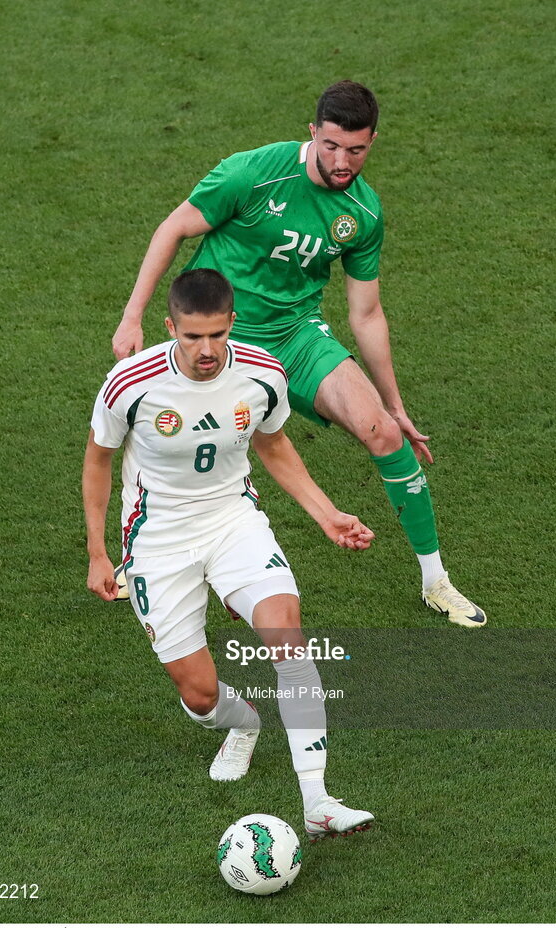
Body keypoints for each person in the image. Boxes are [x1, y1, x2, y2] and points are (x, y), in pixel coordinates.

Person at [112, 80, 486, 627]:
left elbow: (366, 313)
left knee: (381, 431)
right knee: (169, 438)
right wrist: (131, 315)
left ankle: (436, 580)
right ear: (313, 133)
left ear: (372, 142)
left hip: (296, 334)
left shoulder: (362, 212)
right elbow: (173, 228)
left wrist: (395, 403)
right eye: (332, 145)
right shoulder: (253, 172)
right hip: (224, 340)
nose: (342, 160)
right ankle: (137, 552)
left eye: (356, 150)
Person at [84, 268, 375, 840]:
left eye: (217, 335)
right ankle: (243, 725)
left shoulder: (262, 373)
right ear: (171, 328)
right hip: (157, 538)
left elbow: (272, 443)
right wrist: (98, 552)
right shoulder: (131, 384)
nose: (207, 350)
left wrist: (326, 512)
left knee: (286, 632)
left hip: (232, 519)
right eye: (193, 337)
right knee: (198, 694)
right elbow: (98, 461)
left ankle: (316, 800)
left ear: (231, 324)